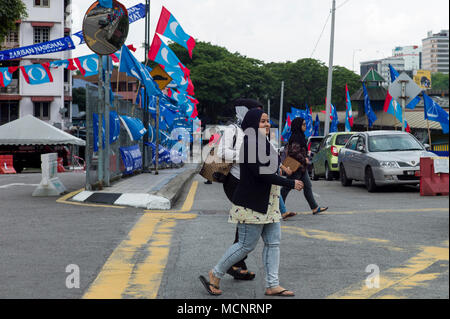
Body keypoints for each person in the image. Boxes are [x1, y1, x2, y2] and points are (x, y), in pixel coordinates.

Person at [199, 108, 304, 297]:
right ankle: (215, 273)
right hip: (251, 202)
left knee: (273, 243)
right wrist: (290, 183)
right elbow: (261, 173)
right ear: (252, 124)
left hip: (268, 202)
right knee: (246, 245)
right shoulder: (249, 144)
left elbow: (268, 169)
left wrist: (281, 170)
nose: (267, 124)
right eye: (262, 121)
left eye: (267, 121)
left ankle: (272, 285)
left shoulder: (263, 143)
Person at [280, 117, 328, 215]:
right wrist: (304, 159)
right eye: (303, 124)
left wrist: (305, 155)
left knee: (307, 186)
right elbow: (293, 152)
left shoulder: (300, 136)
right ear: (298, 126)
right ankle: (280, 210)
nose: (305, 126)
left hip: (301, 168)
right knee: (286, 188)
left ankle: (314, 208)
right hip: (296, 167)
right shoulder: (296, 137)